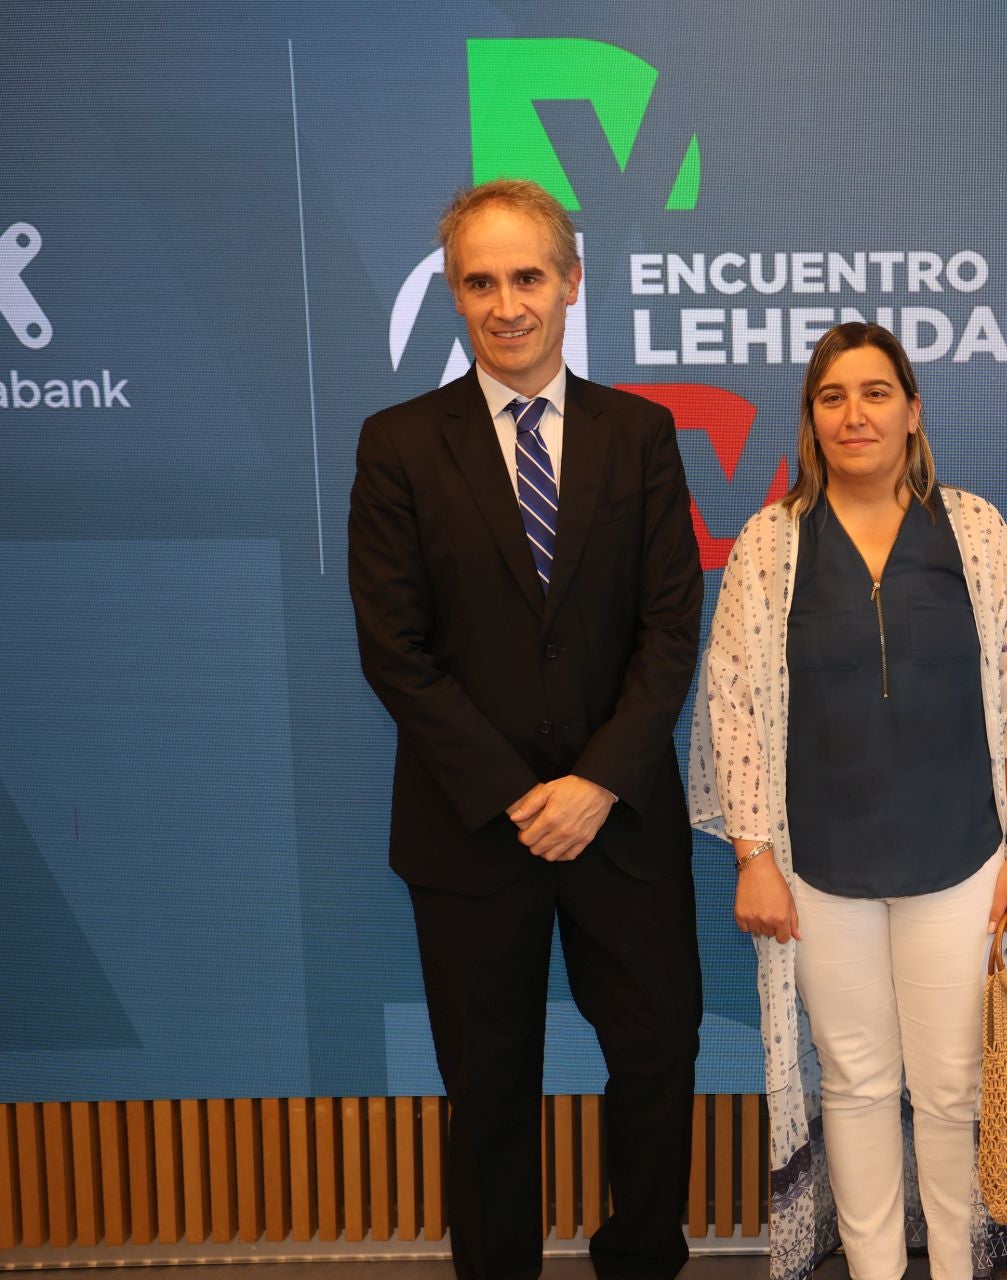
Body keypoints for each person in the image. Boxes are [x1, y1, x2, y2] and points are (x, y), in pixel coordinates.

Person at [348, 178, 704, 1280]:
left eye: (527, 277)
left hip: (623, 821)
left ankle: (640, 1256)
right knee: (489, 1082)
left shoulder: (641, 433)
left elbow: (668, 627)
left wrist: (594, 781)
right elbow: (394, 649)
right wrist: (517, 792)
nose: (507, 303)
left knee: (655, 1058)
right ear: (455, 294)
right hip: (470, 830)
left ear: (571, 282)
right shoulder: (399, 443)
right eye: (481, 281)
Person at [687, 322, 1007, 1280]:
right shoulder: (771, 545)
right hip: (818, 870)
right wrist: (754, 859)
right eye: (832, 397)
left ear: (913, 409)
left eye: (876, 392)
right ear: (810, 421)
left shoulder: (972, 529)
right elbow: (728, 701)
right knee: (853, 1086)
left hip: (962, 859)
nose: (855, 414)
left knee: (950, 1088)